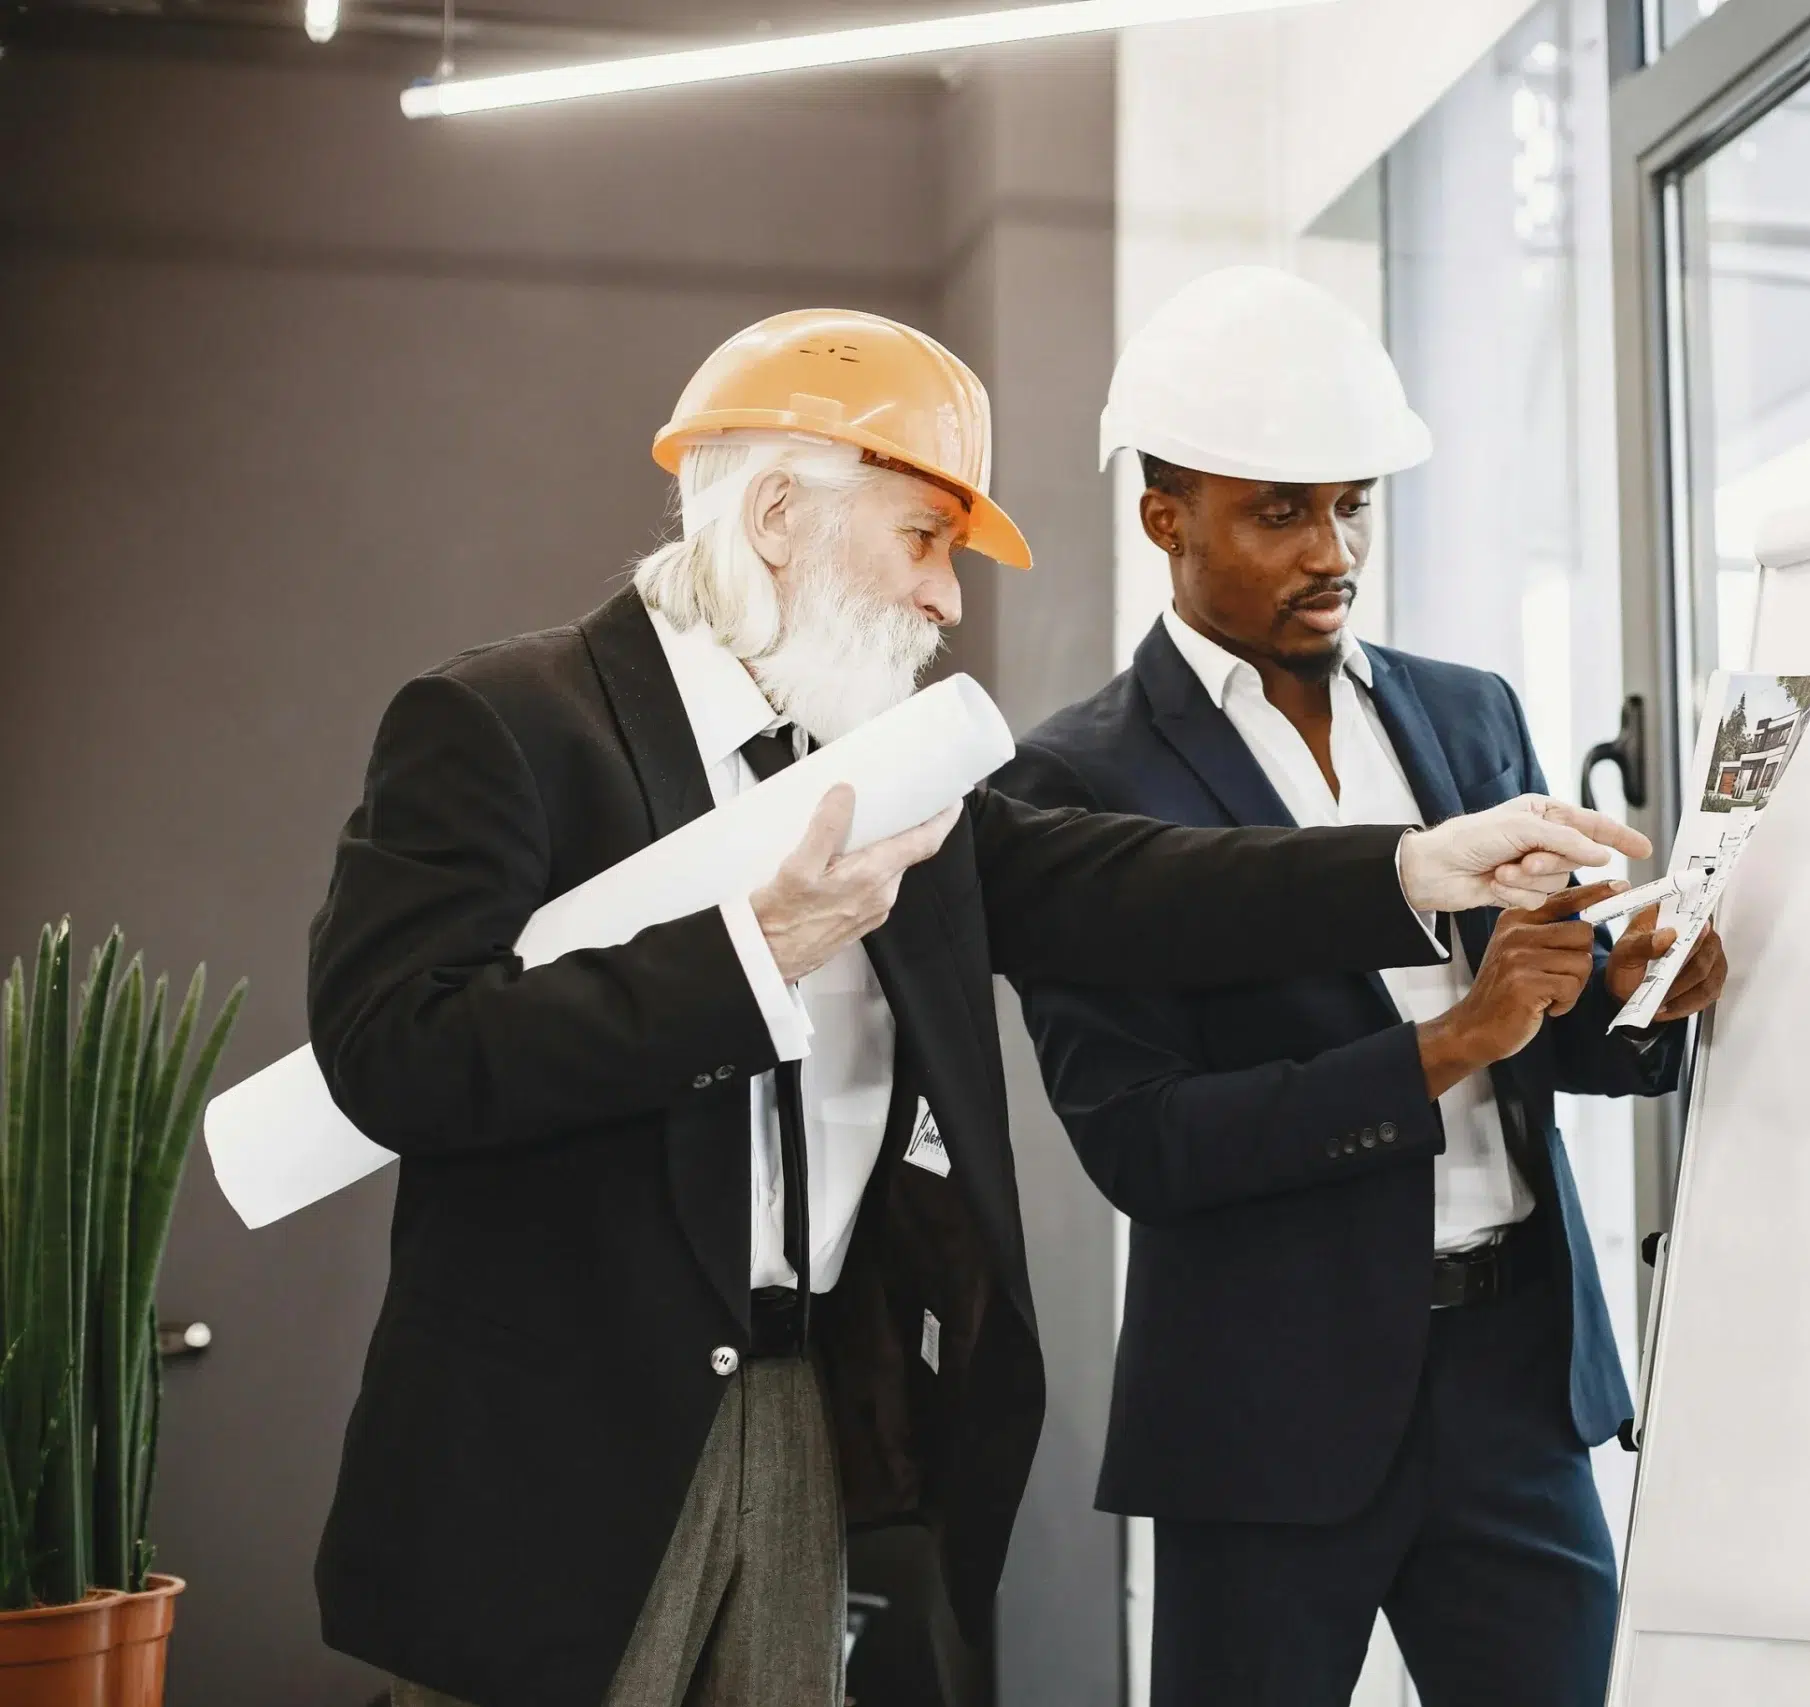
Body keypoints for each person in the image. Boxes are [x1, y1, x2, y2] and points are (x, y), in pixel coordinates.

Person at [304, 308, 1648, 1707]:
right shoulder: (505, 722)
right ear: (776, 515)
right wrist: (747, 951)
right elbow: (393, 1050)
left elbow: (1130, 881)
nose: (948, 600)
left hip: (796, 1404)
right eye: (923, 540)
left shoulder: (887, 772)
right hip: (559, 1447)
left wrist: (1415, 865)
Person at [993, 267, 1726, 1707]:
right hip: (1268, 1413)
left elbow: (1544, 1017)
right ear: (1166, 518)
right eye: (1283, 511)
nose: (1336, 549)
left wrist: (1634, 994)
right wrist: (1448, 1041)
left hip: (1518, 1386)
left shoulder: (1467, 711)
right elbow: (1148, 1141)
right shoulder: (1075, 787)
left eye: (1356, 504)